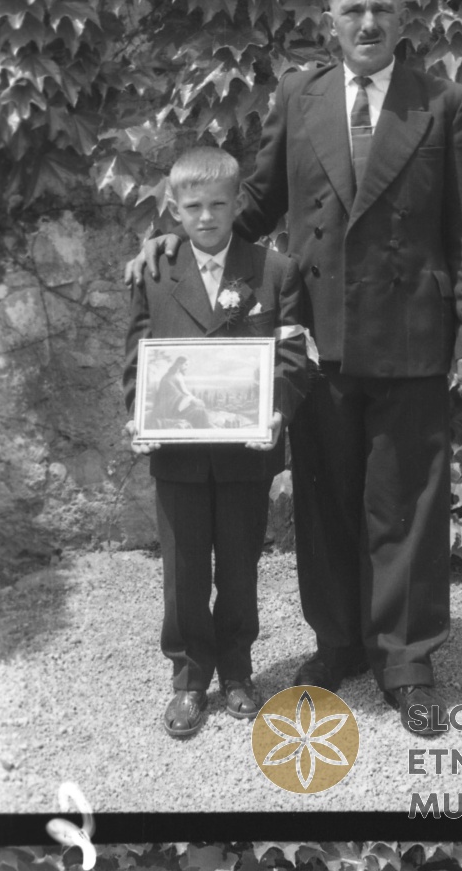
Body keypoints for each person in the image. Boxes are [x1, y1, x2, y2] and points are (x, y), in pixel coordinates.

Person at [126, 0, 462, 734]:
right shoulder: (300, 95)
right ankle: (339, 644)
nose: (368, 22)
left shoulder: (445, 102)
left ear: (402, 21)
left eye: (382, 10)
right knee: (324, 504)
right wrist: (176, 240)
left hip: (412, 336)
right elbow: (259, 199)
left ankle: (407, 660)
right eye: (352, 10)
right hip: (316, 333)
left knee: (406, 507)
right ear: (330, 23)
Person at [123, 147, 307, 738]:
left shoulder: (274, 270)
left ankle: (237, 671)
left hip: (244, 454)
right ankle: (188, 678)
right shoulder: (154, 273)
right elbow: (138, 358)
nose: (206, 217)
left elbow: (294, 354)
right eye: (194, 206)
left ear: (237, 204)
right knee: (182, 573)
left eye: (219, 205)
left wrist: (277, 411)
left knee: (239, 566)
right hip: (176, 453)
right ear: (174, 209)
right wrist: (138, 416)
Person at [149, 356, 211, 429]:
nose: (187, 367)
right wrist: (194, 400)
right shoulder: (174, 376)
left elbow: (183, 392)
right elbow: (183, 392)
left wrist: (193, 400)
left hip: (174, 404)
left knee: (198, 409)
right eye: (185, 364)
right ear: (179, 364)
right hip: (171, 407)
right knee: (199, 410)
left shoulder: (174, 374)